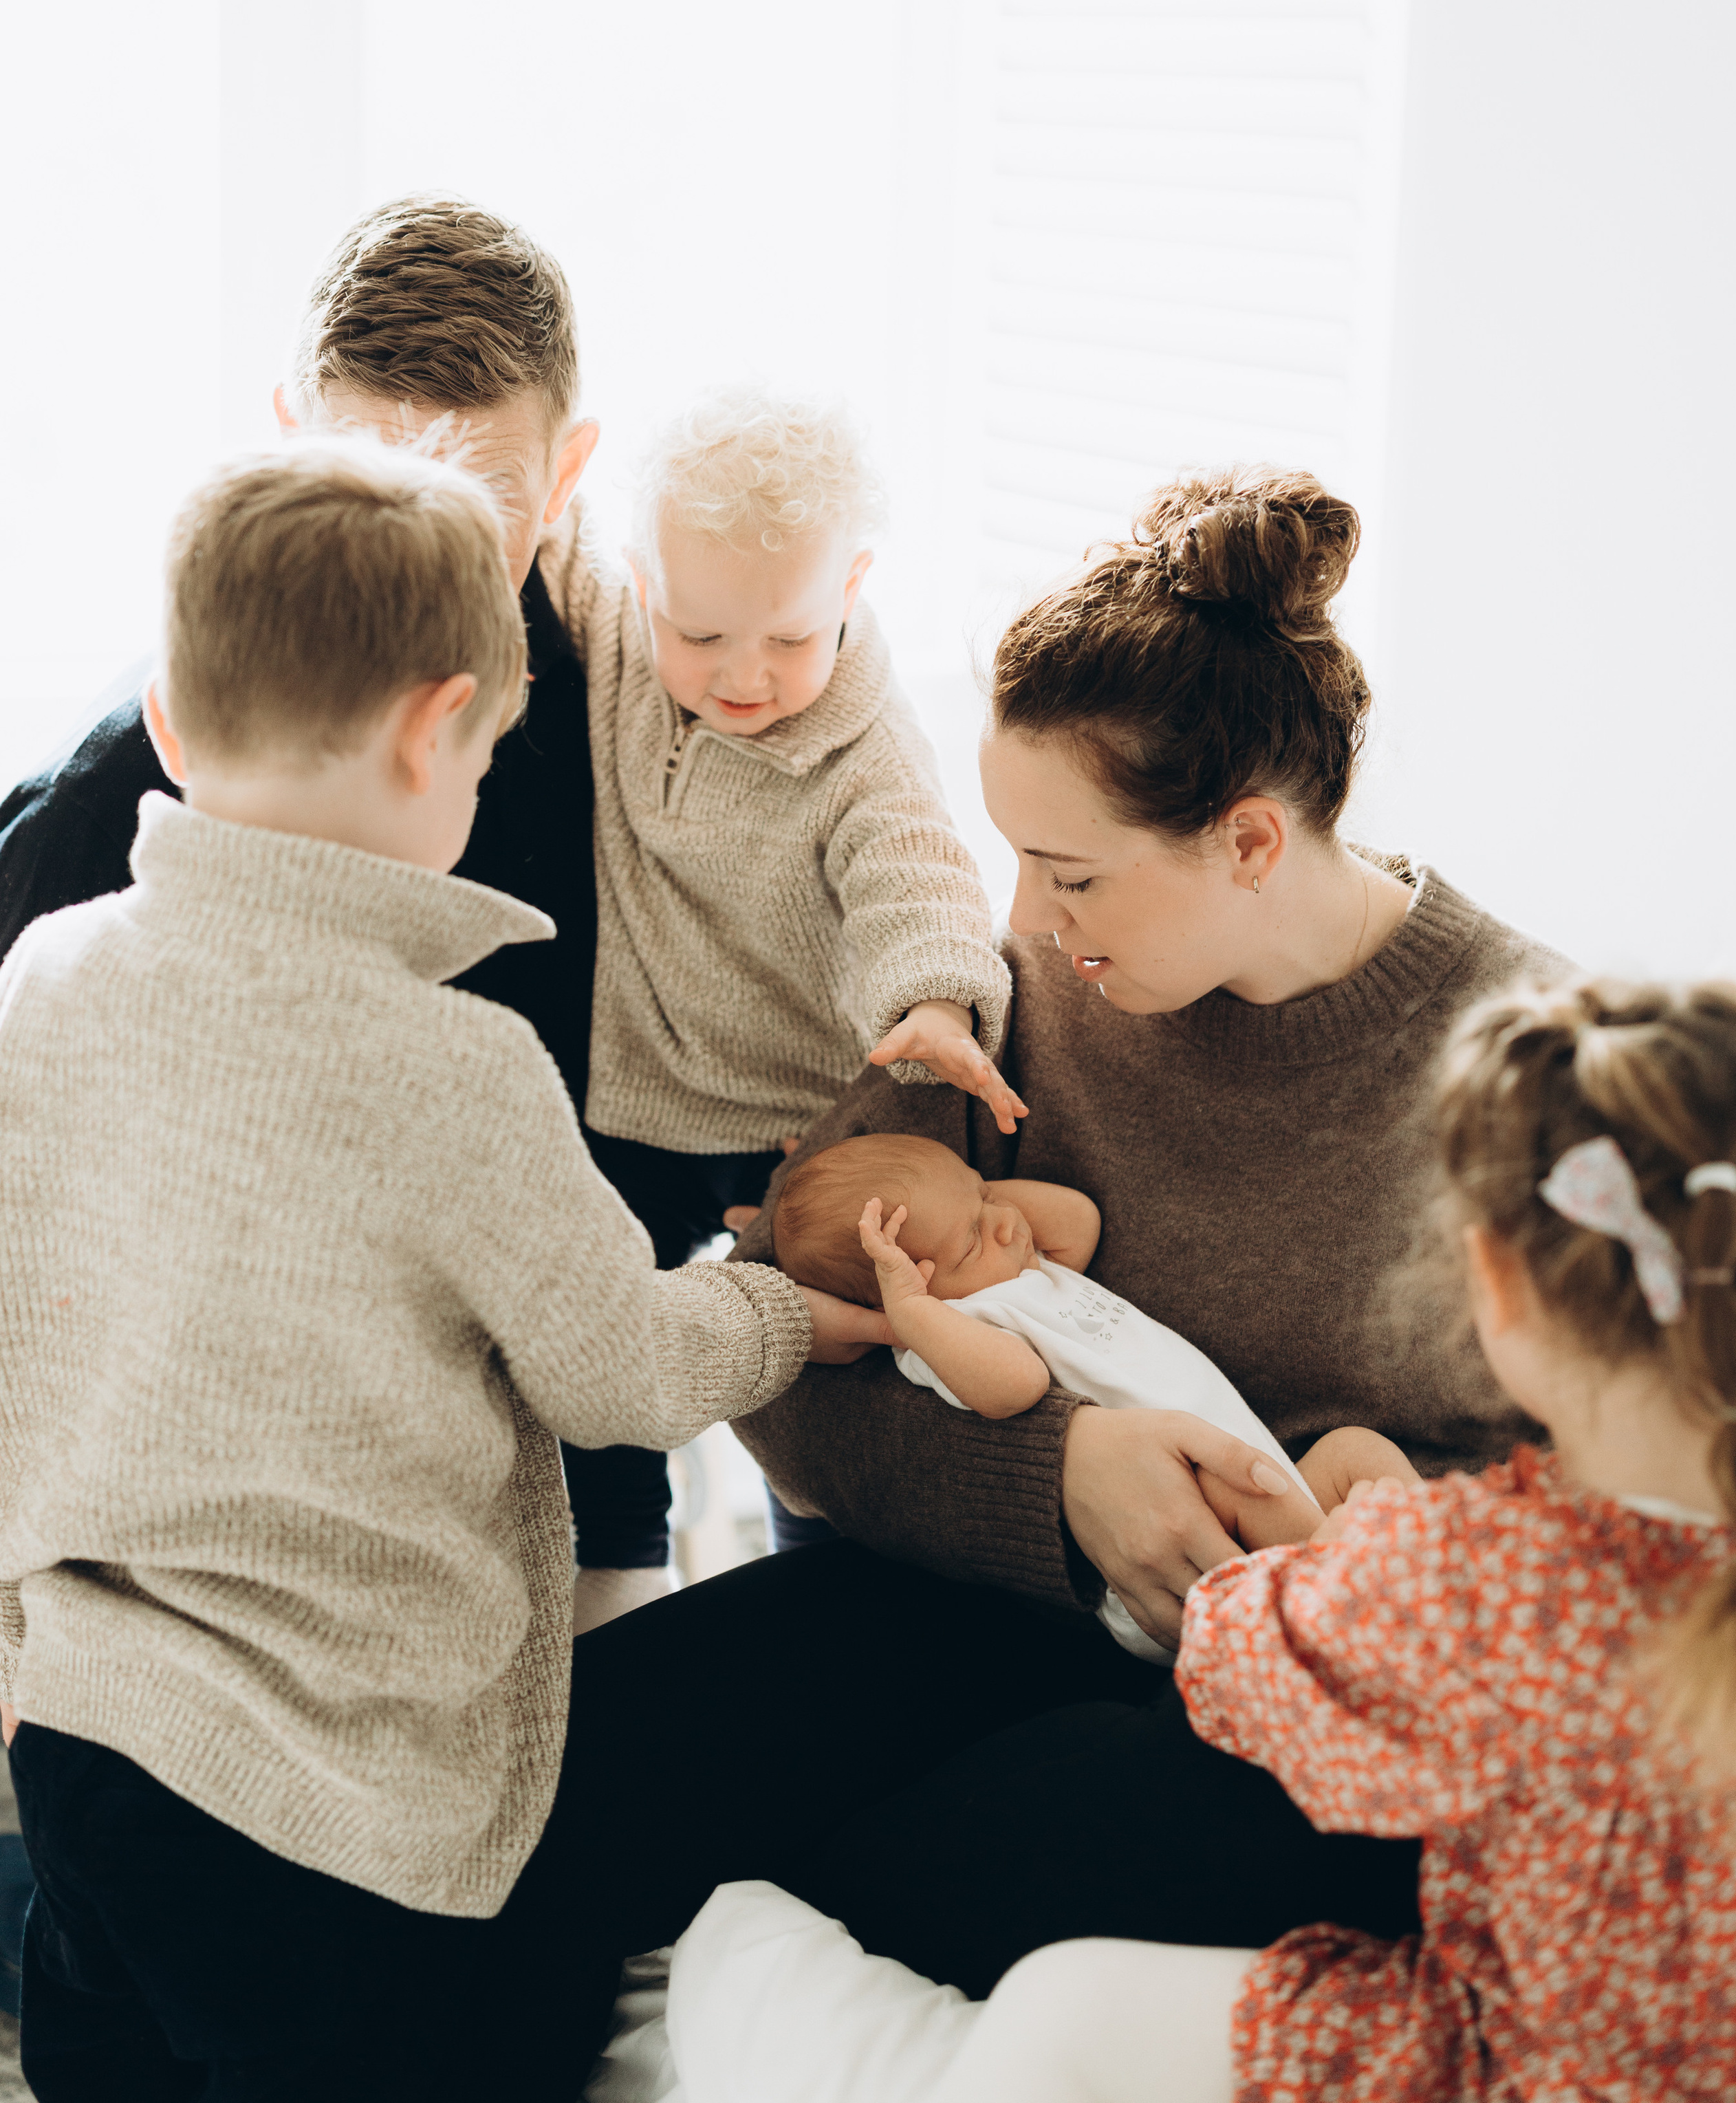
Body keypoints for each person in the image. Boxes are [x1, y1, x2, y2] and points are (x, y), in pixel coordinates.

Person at [558, 464, 1572, 2045]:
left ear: (1246, 840)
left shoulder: (1533, 1070)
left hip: (1312, 1714)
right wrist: (1053, 1473)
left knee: (985, 1845)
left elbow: (1609, 1528)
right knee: (554, 1768)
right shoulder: (1014, 995)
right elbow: (777, 1332)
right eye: (1013, 854)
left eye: (1071, 871)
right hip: (977, 1601)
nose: (1018, 910)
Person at [0, 435, 856, 2103]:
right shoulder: (452, 1066)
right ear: (430, 728)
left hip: (84, 1729)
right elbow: (623, 1371)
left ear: (171, 722)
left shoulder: (45, 970)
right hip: (339, 1804)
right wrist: (780, 1306)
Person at [662, 974, 1736, 2103]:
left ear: (1495, 1287)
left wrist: (1335, 1541)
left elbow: (1240, 1657)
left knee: (1055, 2001)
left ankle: (735, 1976)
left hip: (1515, 2062)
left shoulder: (1474, 1579)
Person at [0, 193, 680, 1627]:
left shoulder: (657, 688)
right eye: (363, 474)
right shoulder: (113, 802)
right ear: (282, 437)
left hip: (586, 1424)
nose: (410, 549)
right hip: (225, 1514)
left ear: (567, 475)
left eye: (479, 501)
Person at [540, 385, 1019, 1562]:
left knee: (834, 1358)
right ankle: (613, 1571)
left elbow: (919, 880)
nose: (742, 673)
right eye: (700, 637)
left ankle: (815, 1557)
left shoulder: (864, 753)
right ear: (645, 586)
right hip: (638, 1094)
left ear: (850, 589)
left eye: (791, 638)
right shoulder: (609, 628)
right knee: (598, 1348)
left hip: (797, 1125)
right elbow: (521, 541)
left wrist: (938, 1002)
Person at [773, 1133, 1415, 1659]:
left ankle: (1427, 1563)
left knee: (1356, 1451)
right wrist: (911, 1313)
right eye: (972, 1237)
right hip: (1179, 1543)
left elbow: (1080, 1220)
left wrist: (971, 1199)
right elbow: (1015, 1389)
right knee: (1254, 1492)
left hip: (1250, 1474)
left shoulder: (1022, 1267)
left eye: (984, 1193)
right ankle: (1362, 1621)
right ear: (908, 1293)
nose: (1002, 1223)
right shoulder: (949, 1334)